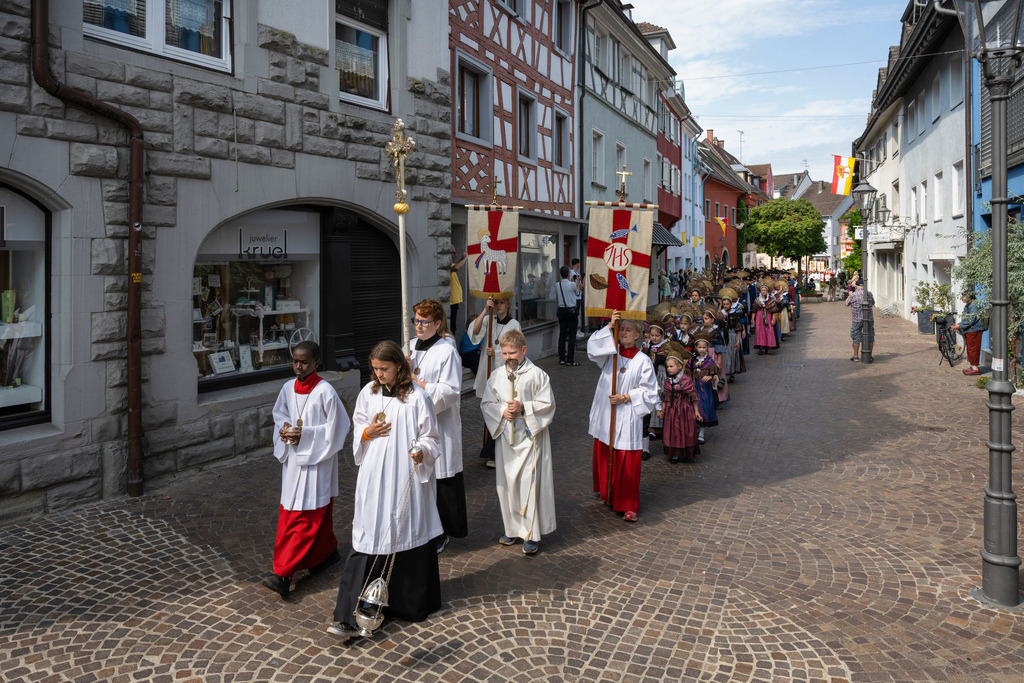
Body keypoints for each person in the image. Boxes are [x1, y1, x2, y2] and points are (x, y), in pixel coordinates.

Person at [329, 341, 443, 638]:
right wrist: (367, 432)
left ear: (399, 367)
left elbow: (431, 436)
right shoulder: (369, 393)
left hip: (404, 474)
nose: (379, 374)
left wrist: (421, 451)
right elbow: (359, 426)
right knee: (368, 533)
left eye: (384, 368)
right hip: (374, 475)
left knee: (405, 530)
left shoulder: (418, 397)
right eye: (375, 369)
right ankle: (349, 613)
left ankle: (405, 605)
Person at [263, 341, 351, 599]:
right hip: (293, 460)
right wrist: (284, 430)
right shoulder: (287, 388)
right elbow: (280, 415)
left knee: (307, 517)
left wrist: (306, 435)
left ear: (316, 363)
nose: (298, 366)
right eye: (295, 361)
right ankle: (325, 554)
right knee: (295, 511)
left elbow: (339, 427)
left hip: (317, 461)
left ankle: (283, 574)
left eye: (304, 362)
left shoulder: (325, 391)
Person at [480, 329, 556, 554]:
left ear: (523, 350)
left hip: (530, 438)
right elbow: (487, 403)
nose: (508, 358)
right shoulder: (497, 376)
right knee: (507, 486)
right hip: (506, 437)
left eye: (512, 353)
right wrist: (502, 411)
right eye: (504, 353)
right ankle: (511, 529)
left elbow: (549, 405)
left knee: (527, 485)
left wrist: (524, 407)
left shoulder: (537, 375)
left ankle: (530, 534)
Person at [407, 299, 466, 553]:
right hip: (414, 426)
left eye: (424, 321)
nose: (418, 326)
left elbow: (450, 391)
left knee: (439, 480)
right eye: (416, 320)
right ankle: (421, 528)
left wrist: (416, 382)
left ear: (438, 323)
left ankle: (441, 532)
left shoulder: (446, 351)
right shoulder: (409, 347)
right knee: (419, 479)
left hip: (440, 425)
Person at [587, 311, 658, 523]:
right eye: (622, 329)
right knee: (606, 450)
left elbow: (650, 393)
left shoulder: (643, 361)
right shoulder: (611, 352)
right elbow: (592, 349)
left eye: (629, 330)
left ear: (637, 335)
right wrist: (610, 326)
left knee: (626, 458)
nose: (624, 333)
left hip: (627, 414)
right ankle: (608, 493)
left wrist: (626, 397)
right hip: (607, 413)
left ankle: (627, 504)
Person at [469, 296, 522, 467]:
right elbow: (475, 332)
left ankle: (498, 451)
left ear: (508, 304)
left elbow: (516, 351)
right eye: (496, 303)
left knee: (502, 409)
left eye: (502, 303)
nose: (498, 306)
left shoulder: (514, 324)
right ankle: (490, 449)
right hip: (488, 369)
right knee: (489, 409)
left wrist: (497, 353)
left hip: (505, 373)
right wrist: (486, 308)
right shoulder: (488, 320)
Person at [657, 341, 700, 463]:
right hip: (671, 410)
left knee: (685, 430)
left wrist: (696, 411)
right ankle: (674, 453)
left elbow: (693, 396)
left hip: (685, 409)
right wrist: (662, 410)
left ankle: (686, 452)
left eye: (671, 366)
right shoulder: (667, 381)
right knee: (673, 431)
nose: (669, 369)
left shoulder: (686, 380)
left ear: (680, 366)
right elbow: (665, 397)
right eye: (667, 367)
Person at [686, 336, 719, 445]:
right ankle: (693, 431)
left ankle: (701, 433)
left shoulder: (709, 361)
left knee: (703, 409)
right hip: (693, 388)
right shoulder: (692, 360)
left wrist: (710, 377)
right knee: (692, 409)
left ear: (707, 348)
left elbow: (715, 375)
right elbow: (687, 373)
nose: (702, 349)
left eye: (704, 347)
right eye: (699, 347)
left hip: (705, 389)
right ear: (696, 347)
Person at [953, 291, 986, 375]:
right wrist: (959, 325)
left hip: (974, 330)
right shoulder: (969, 305)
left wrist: (959, 326)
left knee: (973, 348)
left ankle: (975, 368)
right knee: (971, 349)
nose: (962, 298)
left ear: (969, 297)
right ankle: (973, 366)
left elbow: (971, 320)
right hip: (970, 330)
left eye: (963, 296)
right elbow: (967, 319)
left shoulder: (973, 305)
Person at [554, 266, 580, 366]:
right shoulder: (572, 284)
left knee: (562, 335)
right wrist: (577, 281)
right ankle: (570, 360)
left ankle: (561, 358)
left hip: (561, 311)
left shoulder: (558, 284)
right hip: (571, 311)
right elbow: (577, 293)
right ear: (568, 274)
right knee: (572, 336)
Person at [846, 279, 875, 362]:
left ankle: (856, 356)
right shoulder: (869, 294)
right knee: (870, 337)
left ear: (856, 286)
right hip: (869, 318)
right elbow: (873, 303)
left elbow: (846, 303)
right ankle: (869, 355)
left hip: (857, 319)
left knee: (856, 337)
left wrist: (849, 295)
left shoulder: (853, 295)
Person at [751, 285, 778, 355]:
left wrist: (773, 319)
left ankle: (767, 347)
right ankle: (760, 348)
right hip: (759, 317)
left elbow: (774, 311)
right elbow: (754, 310)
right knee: (759, 332)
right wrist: (752, 319)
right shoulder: (757, 300)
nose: (763, 292)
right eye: (762, 290)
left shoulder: (770, 300)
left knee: (768, 331)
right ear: (760, 291)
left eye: (764, 290)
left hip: (768, 317)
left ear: (767, 291)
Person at [449, 250, 468, 335]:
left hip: (453, 302)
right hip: (451, 302)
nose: (455, 255)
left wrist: (462, 259)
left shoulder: (451, 265)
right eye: (454, 253)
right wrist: (465, 258)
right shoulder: (447, 265)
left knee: (453, 326)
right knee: (451, 327)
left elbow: (456, 265)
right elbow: (456, 268)